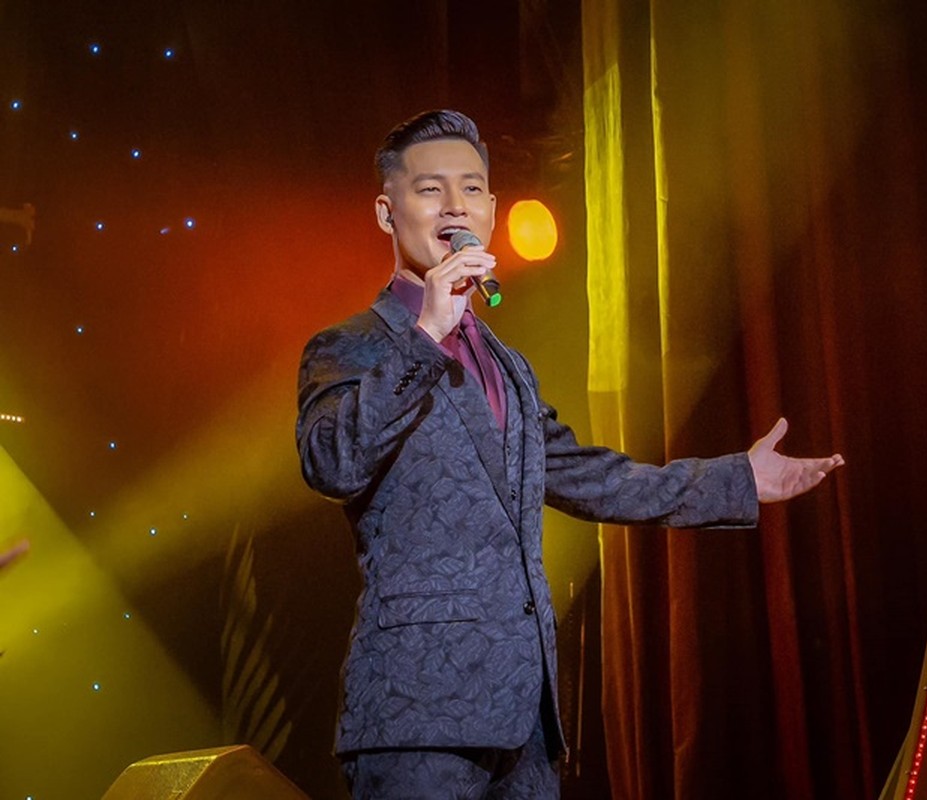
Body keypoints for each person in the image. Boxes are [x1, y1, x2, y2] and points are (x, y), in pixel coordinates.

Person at [295, 109, 844, 800]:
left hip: (524, 723)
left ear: (492, 211)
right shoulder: (349, 346)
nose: (455, 204)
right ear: (386, 210)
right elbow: (330, 464)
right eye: (431, 188)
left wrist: (736, 480)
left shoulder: (507, 365)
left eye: (471, 188)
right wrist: (426, 330)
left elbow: (588, 476)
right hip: (416, 715)